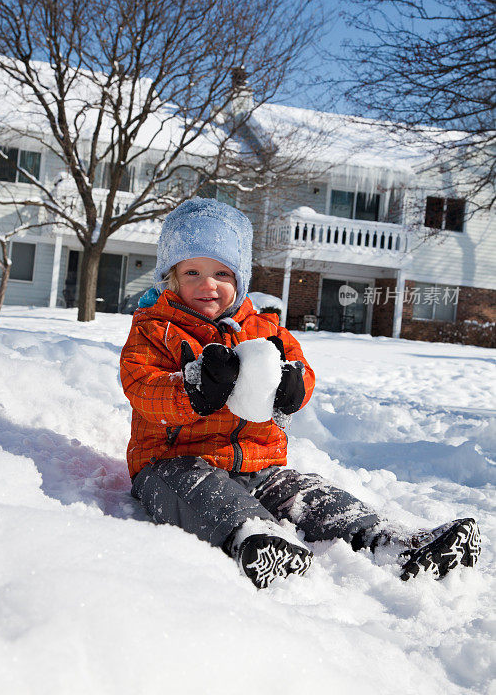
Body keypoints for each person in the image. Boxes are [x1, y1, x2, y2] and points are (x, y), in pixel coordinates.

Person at [120, 198, 480, 589]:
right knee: (199, 494)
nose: (208, 285)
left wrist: (293, 387)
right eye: (192, 271)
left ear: (240, 280)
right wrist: (194, 388)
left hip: (258, 464)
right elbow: (142, 386)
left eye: (222, 273)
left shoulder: (265, 329)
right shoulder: (155, 329)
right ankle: (254, 539)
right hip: (172, 463)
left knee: (307, 494)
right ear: (171, 278)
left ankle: (391, 543)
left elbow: (302, 369)